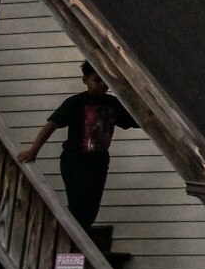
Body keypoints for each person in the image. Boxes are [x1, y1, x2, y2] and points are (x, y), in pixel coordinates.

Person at [16, 62, 140, 230]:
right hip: (75, 160)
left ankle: (79, 241)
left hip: (99, 161)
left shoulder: (114, 104)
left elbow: (137, 121)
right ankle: (71, 244)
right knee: (78, 205)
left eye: (105, 81)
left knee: (91, 207)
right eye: (97, 80)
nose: (103, 85)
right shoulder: (75, 102)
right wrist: (33, 150)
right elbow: (51, 125)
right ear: (85, 80)